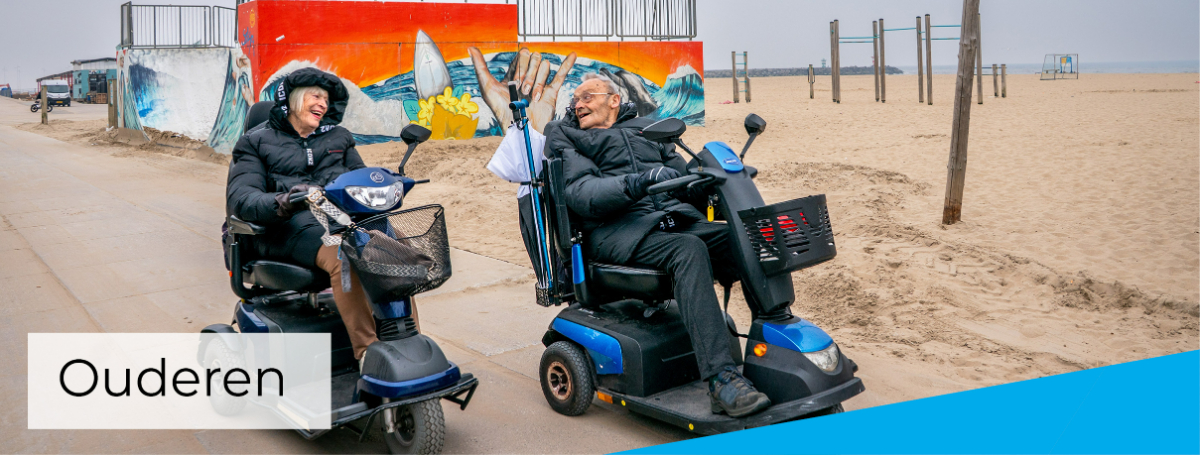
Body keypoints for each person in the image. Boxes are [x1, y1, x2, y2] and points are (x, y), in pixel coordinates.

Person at [543, 73, 772, 418]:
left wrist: (712, 182)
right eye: (575, 100)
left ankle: (774, 349)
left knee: (747, 238)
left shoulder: (650, 129)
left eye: (587, 96)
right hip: (617, 231)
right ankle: (721, 380)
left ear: (614, 99)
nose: (578, 104)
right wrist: (639, 181)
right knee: (687, 250)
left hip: (671, 221)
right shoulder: (568, 136)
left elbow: (681, 182)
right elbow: (581, 194)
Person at [225, 67, 378, 366]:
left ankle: (404, 343)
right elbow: (242, 200)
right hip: (278, 229)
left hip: (334, 224)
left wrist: (383, 184)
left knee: (390, 250)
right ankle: (368, 354)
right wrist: (286, 200)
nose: (322, 103)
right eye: (315, 95)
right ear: (293, 99)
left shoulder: (339, 139)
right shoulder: (255, 142)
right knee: (345, 255)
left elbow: (358, 182)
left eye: (327, 99)